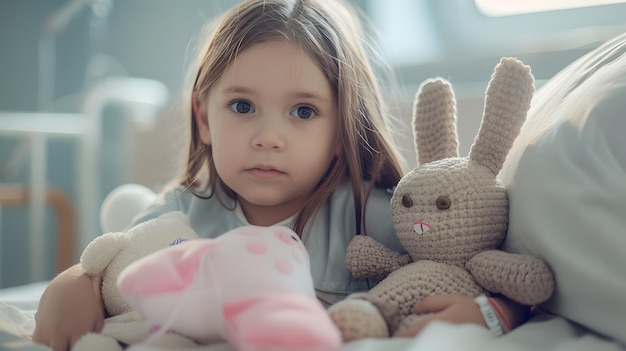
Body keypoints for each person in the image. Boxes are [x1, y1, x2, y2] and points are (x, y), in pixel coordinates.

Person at [32, 0, 529, 350]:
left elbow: (495, 286)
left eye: (304, 112)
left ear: (340, 132)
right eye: (243, 106)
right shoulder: (185, 207)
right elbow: (113, 260)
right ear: (204, 118)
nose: (269, 136)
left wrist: (491, 313)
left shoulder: (374, 215)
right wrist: (72, 282)